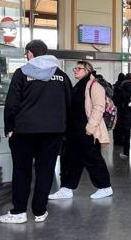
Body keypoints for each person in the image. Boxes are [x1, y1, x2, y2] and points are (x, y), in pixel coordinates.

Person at [0, 40, 72, 224]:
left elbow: (12, 104)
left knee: (22, 170)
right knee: (45, 170)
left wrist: (9, 128)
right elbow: (69, 105)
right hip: (53, 132)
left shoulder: (22, 73)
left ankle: (19, 212)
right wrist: (63, 129)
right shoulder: (62, 76)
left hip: (24, 131)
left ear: (30, 53)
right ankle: (40, 211)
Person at [48, 60, 113, 201]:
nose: (75, 70)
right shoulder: (79, 85)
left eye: (79, 68)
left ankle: (105, 187)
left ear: (88, 70)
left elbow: (98, 108)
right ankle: (67, 188)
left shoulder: (94, 85)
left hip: (86, 130)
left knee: (92, 159)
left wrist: (90, 128)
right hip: (74, 130)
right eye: (75, 69)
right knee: (72, 160)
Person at [112, 73, 126, 146]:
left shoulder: (115, 86)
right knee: (122, 125)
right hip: (122, 108)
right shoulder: (124, 86)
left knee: (116, 125)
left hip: (115, 108)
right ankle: (121, 140)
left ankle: (115, 140)